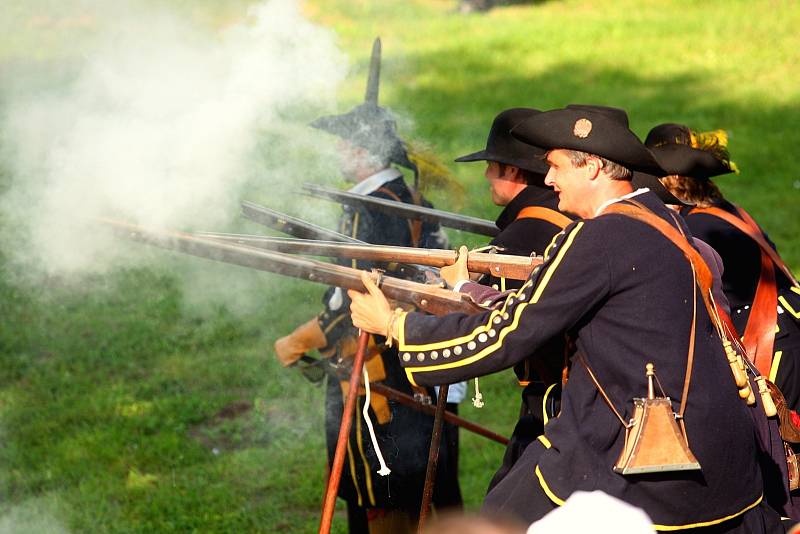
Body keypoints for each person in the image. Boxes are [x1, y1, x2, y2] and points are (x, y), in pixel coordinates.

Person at [348, 106, 781, 531]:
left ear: (592, 167)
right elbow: (541, 311)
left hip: (648, 457)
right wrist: (466, 291)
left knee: (501, 519)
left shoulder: (599, 236)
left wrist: (395, 326)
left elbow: (509, 336)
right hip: (724, 463)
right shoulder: (663, 219)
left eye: (555, 167)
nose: (548, 179)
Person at [274, 98, 461, 533]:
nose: (338, 152)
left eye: (344, 144)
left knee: (382, 486)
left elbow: (361, 294)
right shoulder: (405, 197)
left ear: (363, 152)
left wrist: (311, 337)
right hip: (413, 353)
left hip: (378, 367)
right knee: (416, 484)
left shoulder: (373, 209)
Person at [448, 107, 572, 491]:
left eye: (492, 165)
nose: (487, 175)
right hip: (563, 395)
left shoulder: (527, 230)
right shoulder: (552, 213)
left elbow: (477, 308)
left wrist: (453, 284)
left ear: (513, 172)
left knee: (506, 506)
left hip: (553, 404)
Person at [645, 123, 800, 410]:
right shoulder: (724, 210)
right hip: (788, 334)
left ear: (672, 178)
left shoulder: (696, 227)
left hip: (769, 346)